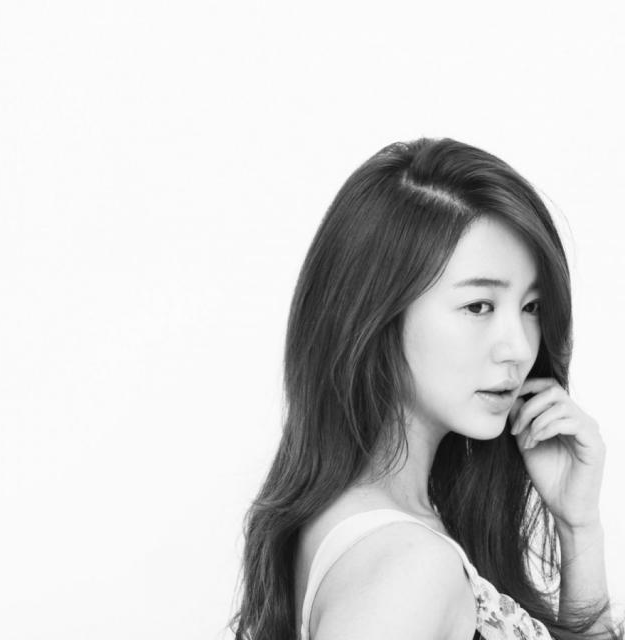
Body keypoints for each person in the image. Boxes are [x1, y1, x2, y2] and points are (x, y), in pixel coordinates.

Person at [231, 138, 622, 640]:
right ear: (375, 313)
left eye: (531, 307)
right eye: (478, 306)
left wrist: (577, 525)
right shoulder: (409, 568)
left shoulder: (384, 530)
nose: (520, 348)